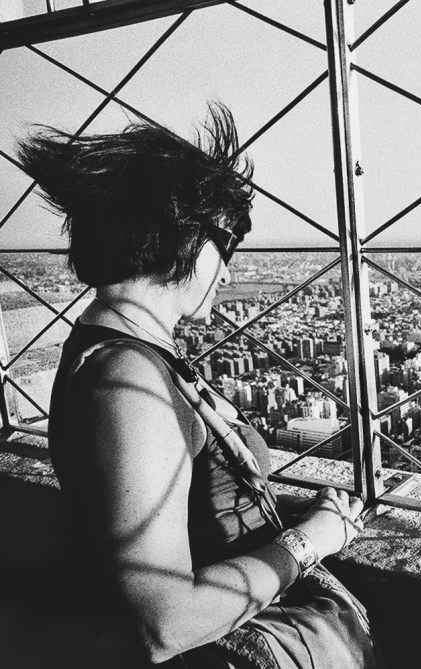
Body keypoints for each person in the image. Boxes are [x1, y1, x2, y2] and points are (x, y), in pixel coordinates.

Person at [18, 104, 376, 668]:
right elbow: (164, 621)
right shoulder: (126, 377)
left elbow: (180, 507)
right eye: (226, 247)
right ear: (182, 234)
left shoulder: (120, 351)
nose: (227, 272)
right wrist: (311, 541)